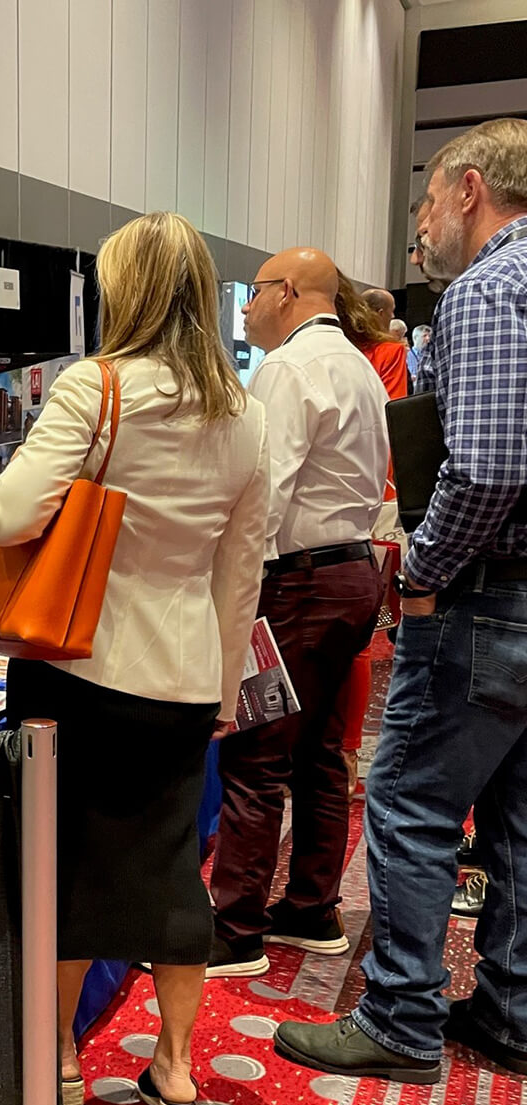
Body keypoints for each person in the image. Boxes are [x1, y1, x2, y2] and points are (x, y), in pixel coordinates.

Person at [0, 212, 269, 1105]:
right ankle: (177, 1072)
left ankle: (63, 1063)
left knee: (64, 864)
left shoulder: (93, 387)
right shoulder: (245, 415)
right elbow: (242, 572)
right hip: (183, 674)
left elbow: (13, 512)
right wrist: (225, 692)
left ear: (127, 291)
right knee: (171, 865)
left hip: (79, 665)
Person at [274, 117, 527, 1083]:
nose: (419, 225)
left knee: (412, 805)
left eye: (424, 200)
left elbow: (493, 464)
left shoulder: (487, 290)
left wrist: (423, 564)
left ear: (469, 189)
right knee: (515, 817)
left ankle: (400, 1021)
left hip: (485, 595)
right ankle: (509, 1010)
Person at [207, 248, 387, 980]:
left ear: (286, 294)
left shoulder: (284, 369)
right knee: (317, 752)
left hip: (299, 582)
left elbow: (264, 497)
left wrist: (228, 598)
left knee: (257, 752)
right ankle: (310, 908)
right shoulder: (360, 365)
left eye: (253, 294)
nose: (244, 309)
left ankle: (236, 927)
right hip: (350, 575)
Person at [333, 273, 409, 795]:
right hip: (370, 499)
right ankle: (342, 756)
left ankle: (336, 753)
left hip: (353, 502)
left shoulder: (362, 353)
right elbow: (390, 420)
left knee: (348, 638)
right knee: (358, 637)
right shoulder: (380, 353)